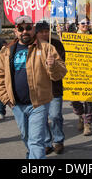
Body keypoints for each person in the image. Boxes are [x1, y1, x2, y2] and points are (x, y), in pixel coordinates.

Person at [0, 15, 67, 159]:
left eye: (28, 27)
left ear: (33, 29)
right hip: (17, 104)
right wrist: (5, 98)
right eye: (21, 28)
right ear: (16, 31)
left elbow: (60, 73)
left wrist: (52, 66)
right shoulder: (7, 50)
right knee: (26, 136)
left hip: (39, 103)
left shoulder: (47, 47)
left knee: (36, 141)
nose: (24, 31)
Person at [35, 21, 66, 155]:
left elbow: (62, 63)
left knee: (54, 116)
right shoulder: (32, 46)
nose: (44, 34)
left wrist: (52, 63)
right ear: (36, 33)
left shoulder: (56, 44)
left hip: (55, 88)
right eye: (41, 32)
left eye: (46, 31)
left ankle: (58, 141)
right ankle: (47, 142)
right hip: (39, 89)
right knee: (42, 118)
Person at [71, 17, 92, 135]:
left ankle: (87, 124)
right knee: (74, 99)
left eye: (87, 22)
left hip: (90, 71)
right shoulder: (71, 37)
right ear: (77, 25)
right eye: (82, 23)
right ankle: (81, 116)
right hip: (75, 71)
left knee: (88, 100)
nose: (85, 25)